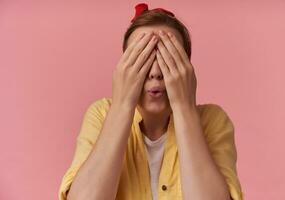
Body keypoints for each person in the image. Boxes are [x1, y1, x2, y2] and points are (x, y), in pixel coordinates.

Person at [58, 3, 244, 200]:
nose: (155, 72)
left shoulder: (212, 120)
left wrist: (184, 107)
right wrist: (122, 104)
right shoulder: (102, 114)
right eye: (142, 58)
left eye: (168, 58)